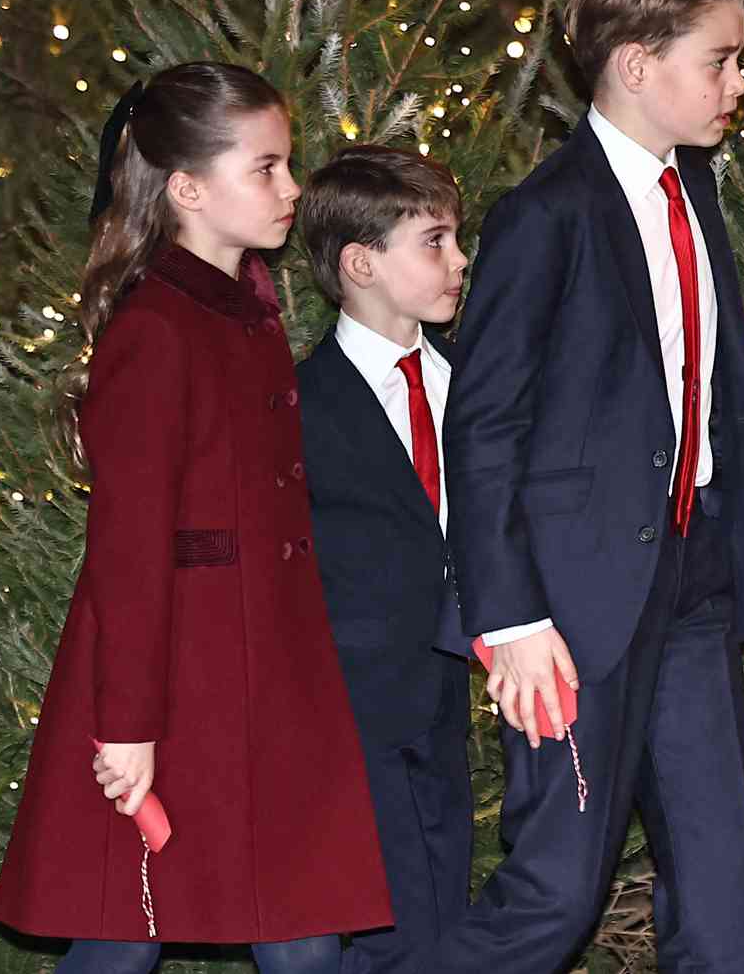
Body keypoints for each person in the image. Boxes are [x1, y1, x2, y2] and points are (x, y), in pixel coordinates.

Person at [0, 63, 393, 973]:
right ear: (187, 188)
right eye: (267, 168)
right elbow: (128, 548)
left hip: (260, 679)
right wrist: (128, 724)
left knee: (290, 927)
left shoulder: (242, 309)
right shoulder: (156, 329)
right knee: (129, 932)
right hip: (181, 689)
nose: (293, 188)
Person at [433, 0, 744, 971]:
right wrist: (511, 617)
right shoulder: (547, 215)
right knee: (555, 892)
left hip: (694, 572)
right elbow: (480, 425)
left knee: (719, 891)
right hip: (571, 608)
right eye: (717, 60)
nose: (737, 80)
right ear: (636, 65)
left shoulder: (693, 189)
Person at [294, 146, 475, 974]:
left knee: (438, 914)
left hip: (448, 705)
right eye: (434, 241)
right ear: (361, 262)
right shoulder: (297, 403)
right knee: (392, 930)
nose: (459, 260)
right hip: (349, 712)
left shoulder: (477, 383)